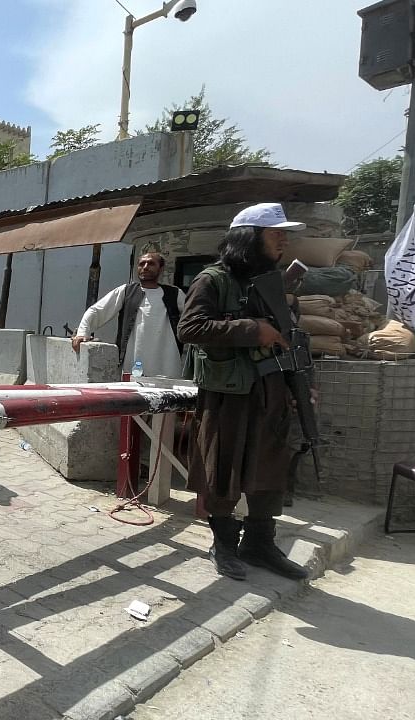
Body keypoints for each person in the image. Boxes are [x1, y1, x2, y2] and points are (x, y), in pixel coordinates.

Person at [177, 203, 310, 582]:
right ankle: (224, 544)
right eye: (275, 233)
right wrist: (251, 329)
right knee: (223, 469)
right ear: (249, 238)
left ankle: (260, 544)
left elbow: (290, 340)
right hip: (228, 393)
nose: (283, 240)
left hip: (270, 393)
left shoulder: (274, 284)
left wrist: (300, 387)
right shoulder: (214, 279)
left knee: (269, 469)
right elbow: (191, 328)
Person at [72, 252, 185, 378]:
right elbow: (97, 310)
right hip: (132, 365)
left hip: (167, 366)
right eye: (142, 264)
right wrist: (83, 332)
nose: (145, 267)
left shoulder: (175, 294)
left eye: (151, 264)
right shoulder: (126, 291)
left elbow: (194, 318)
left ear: (161, 268)